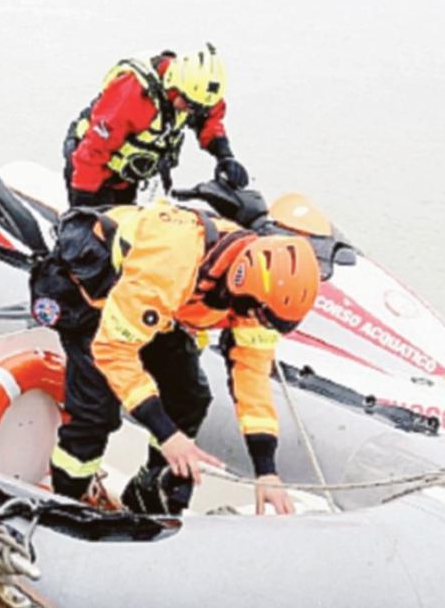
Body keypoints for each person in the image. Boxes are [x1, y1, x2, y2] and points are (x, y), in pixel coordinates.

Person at [28, 202, 320, 516]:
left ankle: (152, 496)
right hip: (89, 294)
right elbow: (113, 350)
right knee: (96, 411)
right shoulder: (172, 262)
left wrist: (266, 471)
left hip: (150, 306)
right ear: (241, 287)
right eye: (258, 316)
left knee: (189, 397)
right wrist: (166, 434)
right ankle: (68, 501)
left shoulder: (254, 301)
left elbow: (252, 378)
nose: (257, 324)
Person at [63, 44, 248, 208]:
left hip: (124, 176)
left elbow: (209, 119)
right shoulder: (133, 96)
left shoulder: (198, 93)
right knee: (92, 228)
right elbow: (93, 150)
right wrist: (83, 203)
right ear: (173, 84)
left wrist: (224, 156)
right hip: (88, 161)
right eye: (189, 104)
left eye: (198, 108)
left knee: (124, 224)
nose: (191, 111)